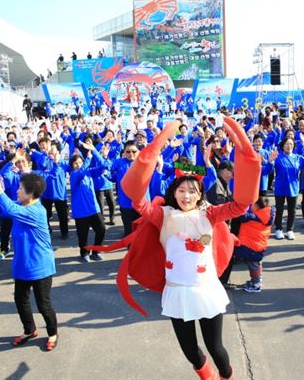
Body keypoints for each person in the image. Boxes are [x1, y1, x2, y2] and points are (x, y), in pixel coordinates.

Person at [88, 118, 260, 379]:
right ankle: (208, 377)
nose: (187, 195)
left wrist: (245, 152)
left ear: (200, 194)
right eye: (182, 190)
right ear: (175, 191)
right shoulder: (163, 215)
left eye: (192, 191)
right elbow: (137, 200)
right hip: (177, 291)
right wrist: (156, 146)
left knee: (216, 347)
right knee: (191, 351)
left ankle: (227, 376)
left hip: (206, 290)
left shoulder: (210, 214)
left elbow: (240, 206)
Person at [0, 170, 59, 352]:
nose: (17, 191)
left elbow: (9, 209)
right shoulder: (22, 206)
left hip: (40, 266)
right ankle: (30, 330)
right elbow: (5, 210)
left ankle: (52, 333)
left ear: (30, 192)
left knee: (43, 304)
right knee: (21, 301)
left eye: (20, 188)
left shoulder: (36, 211)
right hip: (22, 265)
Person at [220, 197, 275, 293]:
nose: (251, 206)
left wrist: (239, 206)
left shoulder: (255, 217)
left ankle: (256, 284)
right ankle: (256, 280)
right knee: (256, 264)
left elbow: (242, 217)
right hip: (257, 245)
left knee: (253, 265)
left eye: (252, 204)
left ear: (257, 206)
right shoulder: (265, 215)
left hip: (252, 246)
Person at [69, 141, 107, 262]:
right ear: (72, 166)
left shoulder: (89, 173)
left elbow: (103, 166)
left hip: (93, 209)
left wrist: (96, 152)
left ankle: (96, 250)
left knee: (101, 229)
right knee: (83, 235)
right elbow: (80, 173)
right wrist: (88, 159)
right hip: (81, 211)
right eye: (75, 163)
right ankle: (84, 253)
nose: (78, 165)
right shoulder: (74, 175)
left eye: (80, 162)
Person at [270, 137, 304, 240]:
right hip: (280, 187)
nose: (289, 146)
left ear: (294, 146)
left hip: (293, 188)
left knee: (292, 210)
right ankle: (278, 229)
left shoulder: (298, 158)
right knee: (279, 210)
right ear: (282, 146)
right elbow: (268, 170)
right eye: (286, 144)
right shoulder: (277, 157)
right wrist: (270, 161)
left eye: (291, 144)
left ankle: (290, 230)